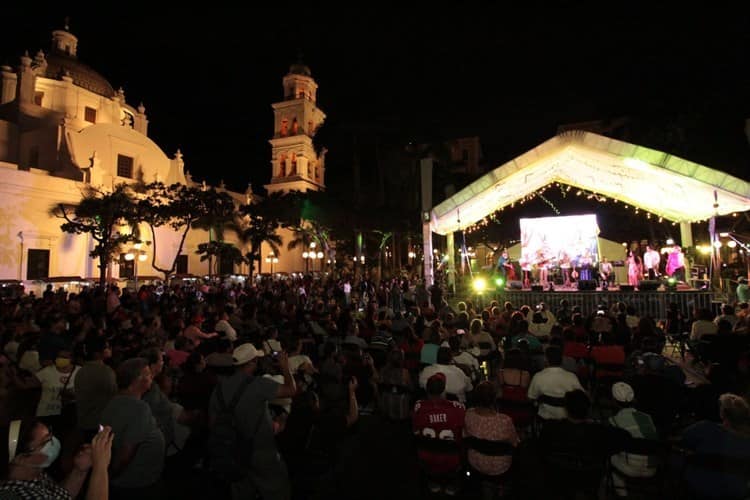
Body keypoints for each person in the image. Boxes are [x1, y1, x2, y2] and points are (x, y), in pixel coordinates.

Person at [208, 343, 296, 500]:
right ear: (253, 362)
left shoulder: (219, 389)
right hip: (262, 452)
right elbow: (291, 390)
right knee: (277, 490)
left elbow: (213, 422)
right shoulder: (259, 384)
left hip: (233, 452)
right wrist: (285, 366)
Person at [100, 358, 165, 499]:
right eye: (147, 374)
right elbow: (126, 453)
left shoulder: (114, 401)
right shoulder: (139, 408)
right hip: (135, 483)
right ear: (136, 379)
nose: (151, 377)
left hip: (124, 481)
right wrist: (108, 476)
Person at [0, 420, 114, 500]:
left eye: (50, 434)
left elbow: (60, 496)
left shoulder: (34, 473)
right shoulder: (16, 495)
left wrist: (80, 470)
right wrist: (101, 466)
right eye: (46, 442)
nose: (53, 442)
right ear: (21, 459)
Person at [680, 393, 750, 500]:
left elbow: (683, 438)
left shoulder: (705, 428)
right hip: (734, 493)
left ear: (722, 414)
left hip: (697, 487)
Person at [413, 372, 466, 496]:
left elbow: (415, 431)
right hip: (452, 459)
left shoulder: (418, 407)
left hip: (427, 457)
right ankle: (452, 484)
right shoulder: (458, 408)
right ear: (443, 390)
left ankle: (433, 482)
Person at [608, 382, 659, 497]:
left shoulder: (614, 421)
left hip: (628, 468)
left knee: (608, 456)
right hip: (652, 467)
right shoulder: (647, 418)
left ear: (614, 401)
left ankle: (621, 493)